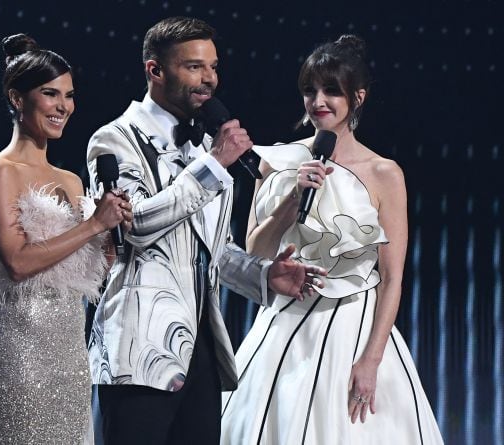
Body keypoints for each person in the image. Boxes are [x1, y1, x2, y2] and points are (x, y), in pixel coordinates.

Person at [85, 17, 326, 445]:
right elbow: (134, 225)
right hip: (139, 353)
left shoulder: (203, 148)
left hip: (201, 352)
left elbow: (214, 250)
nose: (209, 79)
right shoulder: (115, 139)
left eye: (213, 67)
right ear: (154, 70)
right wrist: (214, 165)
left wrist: (262, 275)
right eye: (194, 66)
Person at [220, 35, 444, 444]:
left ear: (357, 97)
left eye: (331, 91)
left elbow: (392, 278)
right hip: (285, 325)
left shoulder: (384, 173)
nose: (318, 101)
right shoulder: (277, 160)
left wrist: (372, 360)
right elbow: (256, 251)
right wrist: (293, 197)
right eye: (310, 90)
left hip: (353, 327)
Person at [0, 33, 132, 444]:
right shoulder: (0, 173)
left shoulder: (71, 181)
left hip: (70, 356)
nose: (63, 106)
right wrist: (91, 225)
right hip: (19, 356)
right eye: (50, 94)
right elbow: (17, 262)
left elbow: (88, 274)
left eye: (68, 96)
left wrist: (111, 233)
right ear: (17, 99)